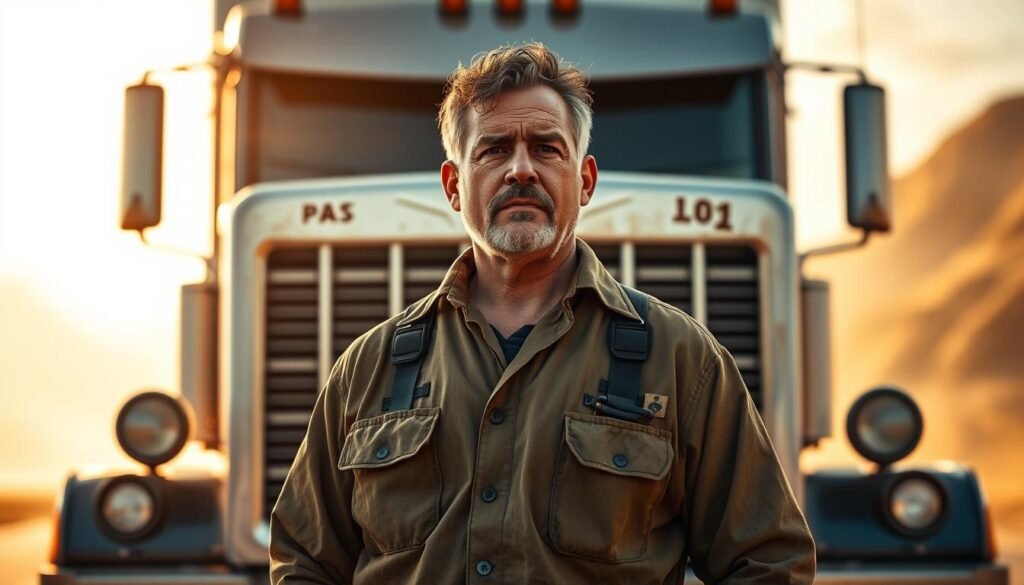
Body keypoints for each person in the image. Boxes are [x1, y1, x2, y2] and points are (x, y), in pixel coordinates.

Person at [269, 42, 815, 584]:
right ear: (454, 186)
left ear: (585, 181)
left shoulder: (683, 361)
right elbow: (305, 562)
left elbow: (768, 563)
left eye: (548, 148)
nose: (521, 170)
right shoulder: (368, 368)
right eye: (494, 149)